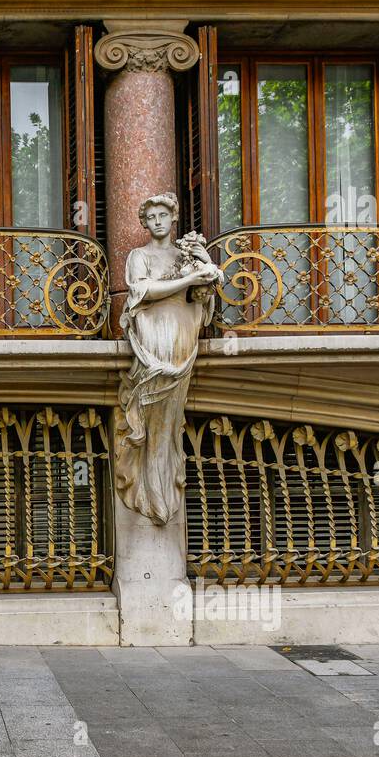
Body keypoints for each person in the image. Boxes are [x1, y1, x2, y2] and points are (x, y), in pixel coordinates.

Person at [116, 192, 221, 525]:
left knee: (170, 421)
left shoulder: (185, 255)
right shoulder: (138, 255)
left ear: (173, 219)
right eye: (151, 217)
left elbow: (208, 288)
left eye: (163, 215)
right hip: (152, 339)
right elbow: (141, 291)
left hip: (181, 335)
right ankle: (148, 486)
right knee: (146, 419)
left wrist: (204, 263)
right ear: (144, 224)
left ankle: (162, 484)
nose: (158, 221)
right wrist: (188, 279)